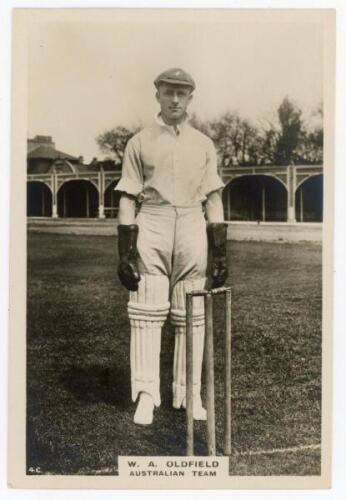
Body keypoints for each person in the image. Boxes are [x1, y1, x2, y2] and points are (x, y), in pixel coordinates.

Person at [115, 68, 228, 425]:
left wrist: (220, 252)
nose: (175, 99)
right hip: (154, 223)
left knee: (191, 317)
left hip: (193, 226)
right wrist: (124, 253)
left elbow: (213, 198)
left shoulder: (203, 144)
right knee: (146, 315)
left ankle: (189, 394)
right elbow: (128, 197)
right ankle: (147, 394)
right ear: (158, 95)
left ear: (191, 97)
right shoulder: (140, 141)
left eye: (182, 92)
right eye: (169, 92)